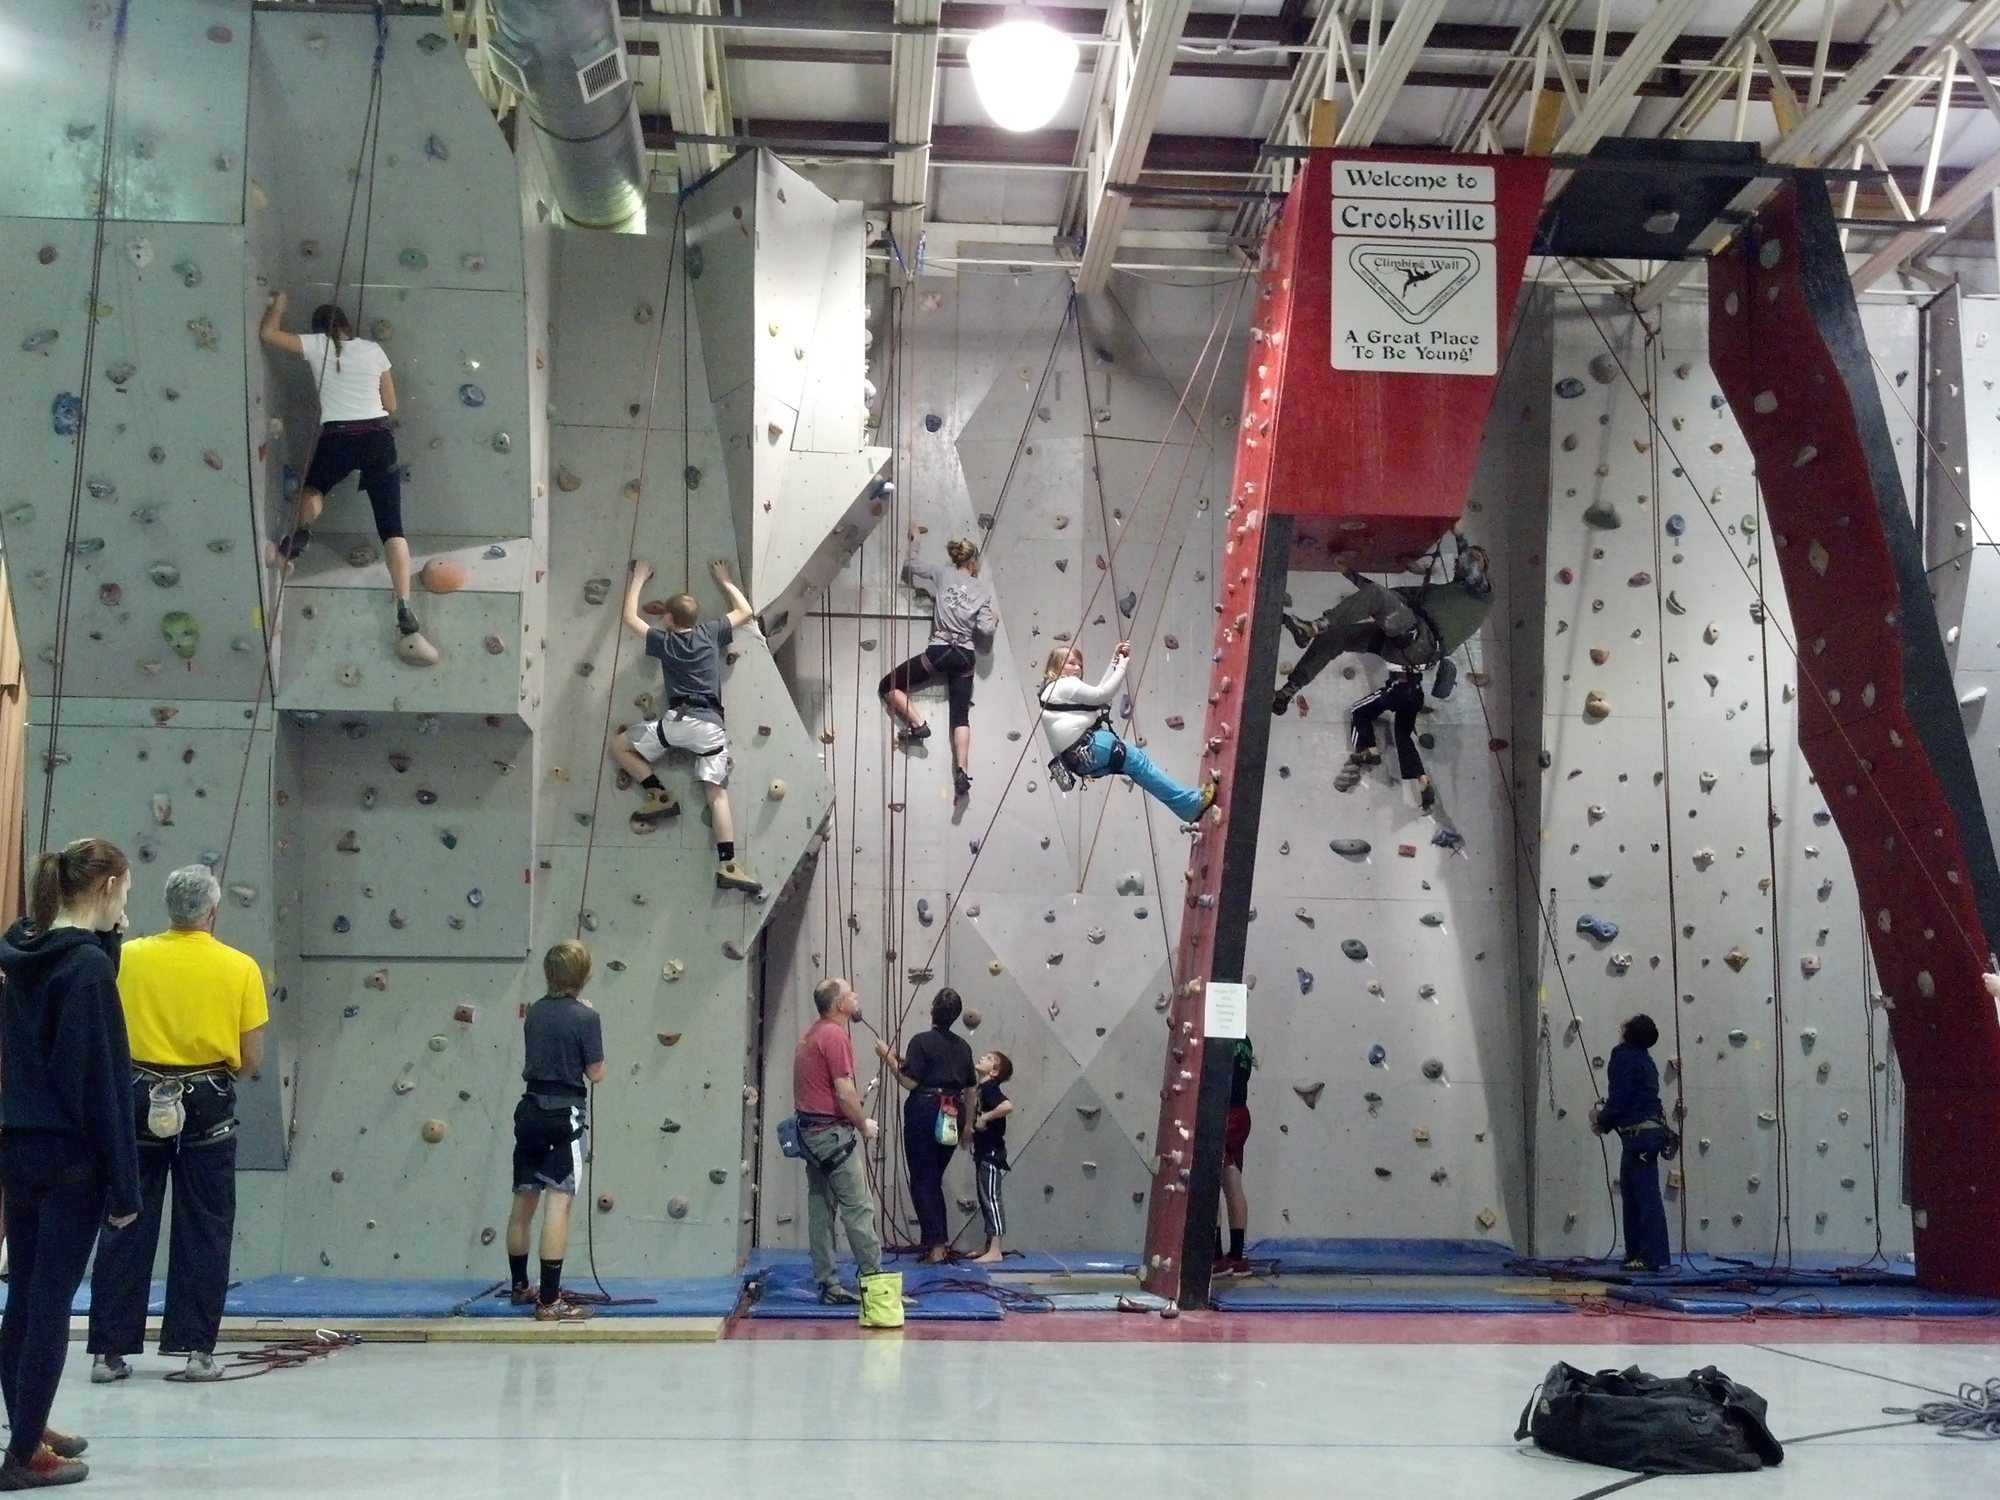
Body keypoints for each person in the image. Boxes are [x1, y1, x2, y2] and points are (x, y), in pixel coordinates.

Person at [88, 865, 268, 1386]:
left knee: (125, 1218)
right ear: (212, 911)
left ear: (169, 908)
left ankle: (108, 1352)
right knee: (206, 1225)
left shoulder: (129, 957)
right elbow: (251, 1055)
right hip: (208, 1099)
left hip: (137, 1094)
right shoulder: (240, 967)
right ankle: (196, 1351)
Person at [0, 838, 142, 1489]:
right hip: (69, 1159)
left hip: (20, 1145)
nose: (127, 914)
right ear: (110, 886)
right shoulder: (83, 972)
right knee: (51, 1302)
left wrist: (106, 940)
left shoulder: (27, 950)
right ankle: (24, 1452)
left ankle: (27, 1420)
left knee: (25, 1295)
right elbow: (102, 1085)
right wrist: (124, 1183)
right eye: (126, 897)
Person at [258, 293, 428, 649]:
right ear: (349, 327)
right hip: (378, 438)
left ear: (319, 329)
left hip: (338, 436)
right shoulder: (373, 350)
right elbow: (391, 404)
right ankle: (404, 604)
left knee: (313, 490)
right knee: (392, 528)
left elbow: (269, 334)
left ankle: (303, 529)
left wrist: (278, 306)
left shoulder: (316, 345)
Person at [610, 558, 762, 895]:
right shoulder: (710, 632)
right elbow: (745, 611)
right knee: (717, 795)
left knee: (620, 745)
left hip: (679, 722)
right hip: (712, 728)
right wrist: (724, 579)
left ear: (667, 618)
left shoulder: (665, 642)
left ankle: (658, 793)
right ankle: (728, 864)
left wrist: (638, 577)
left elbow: (629, 619)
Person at [1273, 536, 1492, 715]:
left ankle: (1311, 628)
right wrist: (1348, 573)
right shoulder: (1435, 592)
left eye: (1475, 560)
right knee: (1334, 638)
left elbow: (1471, 567)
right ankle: (1286, 693)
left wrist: (1461, 537)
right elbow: (1384, 596)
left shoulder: (1483, 596)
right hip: (1405, 645)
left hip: (1419, 641)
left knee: (1376, 598)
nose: (1462, 562)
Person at [504, 940, 604, 1323]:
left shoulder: (534, 1013)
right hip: (564, 1115)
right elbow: (596, 1073)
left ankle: (519, 1287)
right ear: (583, 974)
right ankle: (549, 1301)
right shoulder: (586, 1018)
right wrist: (588, 1022)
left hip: (529, 1111)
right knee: (558, 1203)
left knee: (523, 1201)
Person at [880, 523, 999, 801]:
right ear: (975, 561)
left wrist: (916, 539)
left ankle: (918, 724)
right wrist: (993, 620)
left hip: (940, 650)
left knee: (889, 684)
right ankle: (961, 771)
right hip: (965, 656)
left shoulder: (941, 573)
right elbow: (986, 631)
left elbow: (911, 566)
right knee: (960, 716)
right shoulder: (981, 590)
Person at [1040, 643, 1217, 824]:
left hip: (1080, 763)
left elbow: (1100, 695)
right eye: (1071, 663)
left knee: (1137, 767)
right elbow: (1102, 694)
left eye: (1080, 664)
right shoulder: (1064, 684)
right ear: (1057, 666)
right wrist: (1122, 667)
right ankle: (1188, 804)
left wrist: (1114, 662)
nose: (1077, 668)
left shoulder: (1050, 690)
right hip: (1090, 749)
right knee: (1139, 764)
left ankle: (1186, 803)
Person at [794, 978, 884, 1304]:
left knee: (821, 1208)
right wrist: (863, 1125)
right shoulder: (835, 1036)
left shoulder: (811, 1034)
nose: (856, 996)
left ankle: (828, 1285)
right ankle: (875, 1287)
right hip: (832, 1136)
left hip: (811, 1134)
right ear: (839, 1005)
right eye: (850, 994)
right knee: (859, 1208)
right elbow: (845, 1093)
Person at [874, 988, 976, 1265]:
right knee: (933, 1178)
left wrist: (887, 1057)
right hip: (953, 1111)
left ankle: (937, 1245)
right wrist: (968, 1127)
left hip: (926, 1110)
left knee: (923, 1179)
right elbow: (970, 1089)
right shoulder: (963, 1047)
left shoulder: (921, 1041)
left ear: (932, 1010)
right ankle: (936, 1242)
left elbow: (910, 1082)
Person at [1591, 1013, 1674, 1273]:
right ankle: (1637, 1253)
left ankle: (1648, 1255)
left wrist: (1601, 1120)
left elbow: (1621, 1097)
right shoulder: (1645, 1059)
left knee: (1643, 1196)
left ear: (1629, 1031)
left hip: (1640, 1138)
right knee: (1634, 1193)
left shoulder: (1624, 1056)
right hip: (1646, 1135)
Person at [1342, 667, 1435, 812]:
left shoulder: (1396, 646)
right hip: (1416, 693)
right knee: (1403, 736)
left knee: (1357, 711)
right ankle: (1422, 780)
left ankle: (1369, 750)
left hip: (1397, 690)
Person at [1214, 1037, 1255, 1277]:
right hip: (1240, 1111)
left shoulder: (1218, 1034)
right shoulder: (1244, 1039)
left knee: (1208, 1181)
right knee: (1232, 1181)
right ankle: (1237, 1256)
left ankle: (1216, 1256)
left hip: (1222, 1110)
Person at [969, 1050, 1013, 1264]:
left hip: (992, 1152)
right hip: (983, 1151)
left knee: (992, 1199)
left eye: (988, 1058)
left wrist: (985, 1117)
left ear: (994, 1071)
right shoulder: (981, 1089)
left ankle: (995, 1249)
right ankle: (989, 1246)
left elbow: (1007, 1106)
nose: (982, 1058)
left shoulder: (989, 1088)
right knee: (985, 1198)